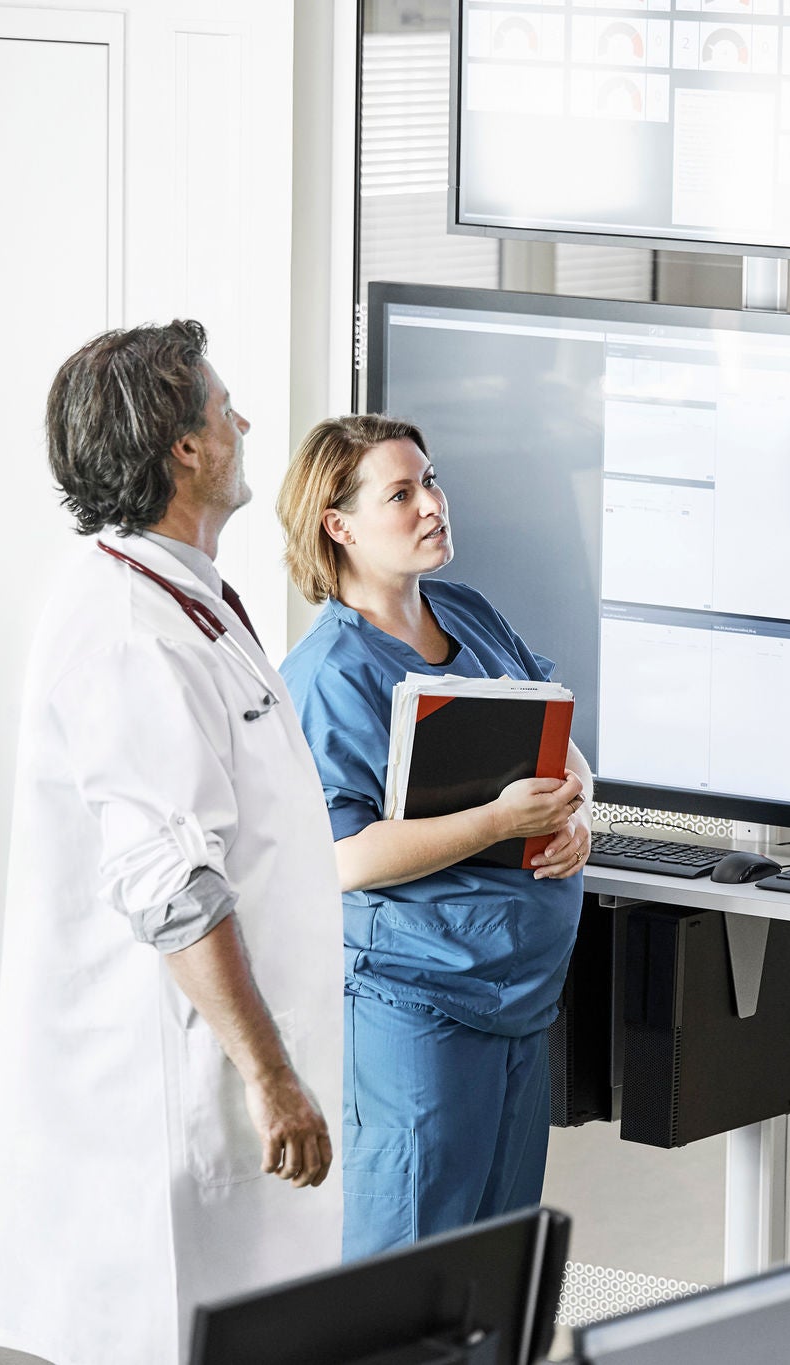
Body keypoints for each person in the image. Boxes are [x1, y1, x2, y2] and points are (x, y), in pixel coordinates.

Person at [0, 321, 342, 1365]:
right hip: (170, 1103)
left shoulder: (187, 598)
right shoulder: (128, 625)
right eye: (225, 407)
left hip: (222, 1089)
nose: (243, 420)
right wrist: (269, 1075)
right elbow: (171, 884)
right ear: (187, 449)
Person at [275, 415, 592, 1261]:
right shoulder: (328, 677)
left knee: (495, 1274)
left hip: (517, 1003)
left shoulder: (468, 613)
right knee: (409, 1277)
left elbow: (557, 734)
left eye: (432, 480)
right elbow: (340, 858)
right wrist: (500, 821)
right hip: (418, 1011)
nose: (433, 505)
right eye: (401, 493)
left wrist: (575, 809)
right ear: (338, 525)